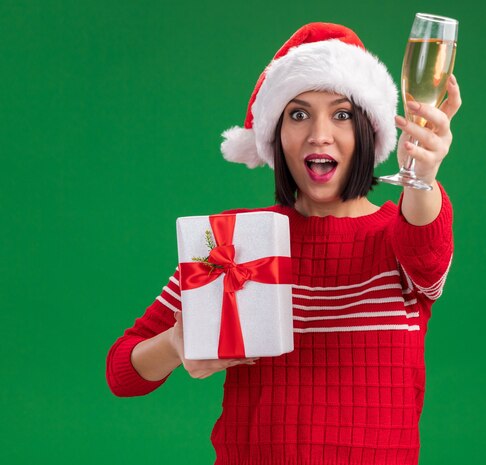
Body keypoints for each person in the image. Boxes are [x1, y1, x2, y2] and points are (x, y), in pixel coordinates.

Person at [107, 22, 461, 465]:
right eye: (298, 114)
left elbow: (428, 251)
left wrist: (422, 179)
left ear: (370, 132)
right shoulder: (234, 242)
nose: (319, 134)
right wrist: (176, 346)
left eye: (342, 113)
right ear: (275, 135)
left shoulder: (398, 235)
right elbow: (122, 372)